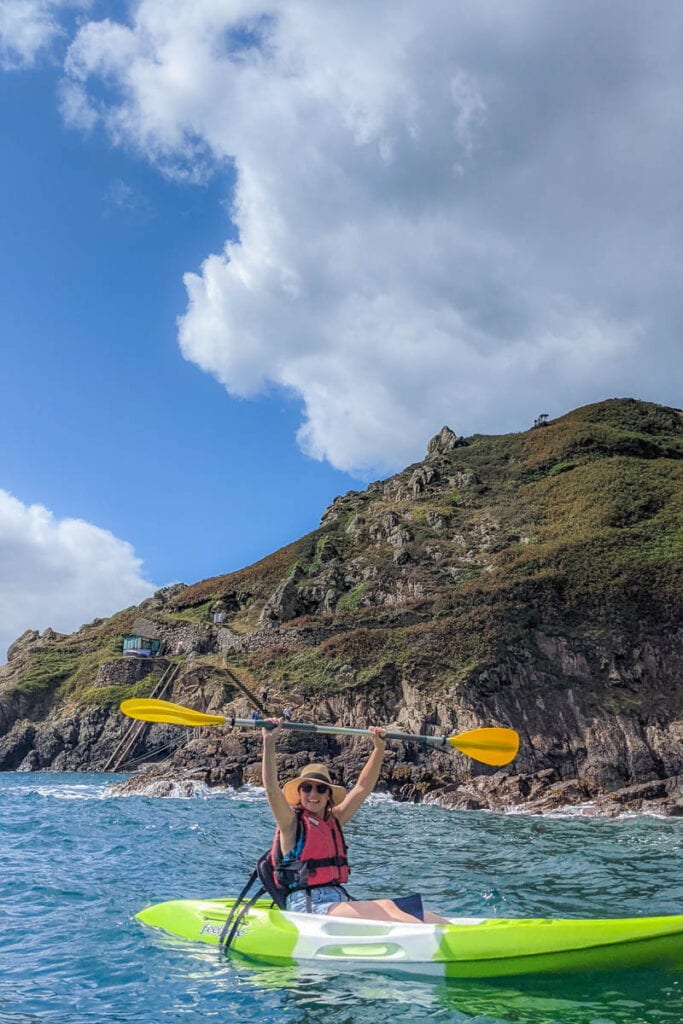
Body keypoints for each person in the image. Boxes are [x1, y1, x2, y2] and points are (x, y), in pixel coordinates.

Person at [261, 718, 447, 923]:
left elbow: (361, 788)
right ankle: (440, 940)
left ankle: (455, 932)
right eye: (307, 788)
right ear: (300, 792)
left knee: (405, 909)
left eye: (320, 788)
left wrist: (378, 748)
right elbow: (271, 789)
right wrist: (269, 743)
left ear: (329, 795)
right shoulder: (290, 823)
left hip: (338, 898)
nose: (313, 794)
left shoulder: (336, 819)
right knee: (387, 908)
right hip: (308, 906)